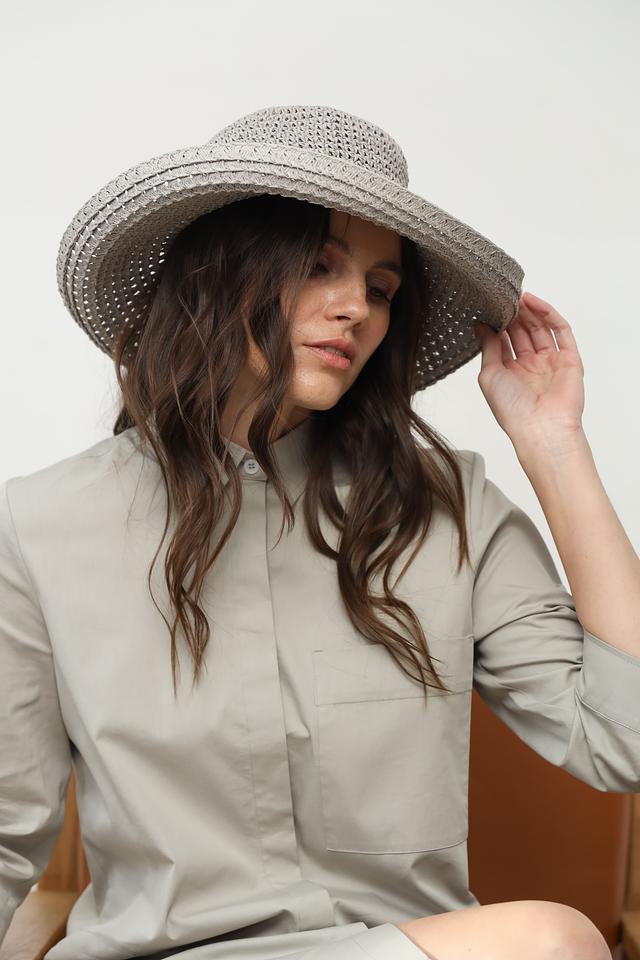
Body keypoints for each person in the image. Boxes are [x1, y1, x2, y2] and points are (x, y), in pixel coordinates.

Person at [0, 104, 631, 960]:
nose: (355, 309)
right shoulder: (40, 526)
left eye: (380, 288)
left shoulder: (451, 512)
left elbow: (623, 741)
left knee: (549, 941)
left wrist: (555, 446)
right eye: (318, 265)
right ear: (218, 273)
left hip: (399, 948)